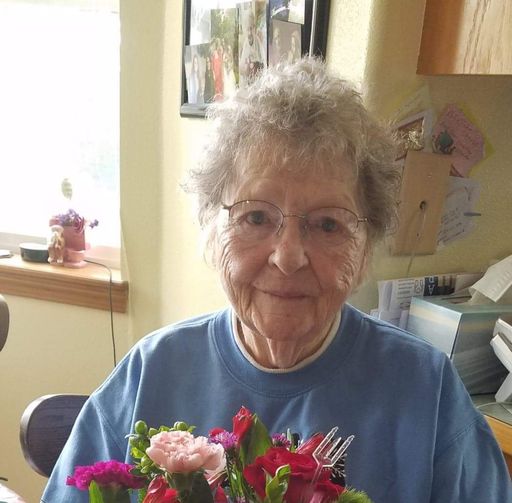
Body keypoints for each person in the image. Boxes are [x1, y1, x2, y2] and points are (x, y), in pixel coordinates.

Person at [42, 58, 512, 502]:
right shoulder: (151, 373)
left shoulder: (427, 391)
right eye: (256, 217)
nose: (288, 257)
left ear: (366, 248)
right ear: (213, 228)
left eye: (327, 224)